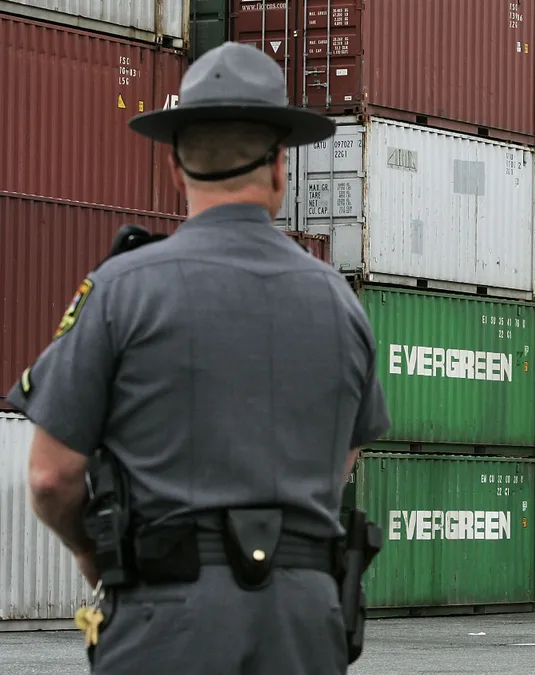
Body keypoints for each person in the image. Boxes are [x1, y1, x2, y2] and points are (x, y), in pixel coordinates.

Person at [6, 42, 391, 674]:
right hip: (305, 624)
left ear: (176, 170)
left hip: (164, 620)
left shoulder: (120, 291)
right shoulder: (339, 303)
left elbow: (50, 476)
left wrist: (92, 555)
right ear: (277, 169)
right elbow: (342, 460)